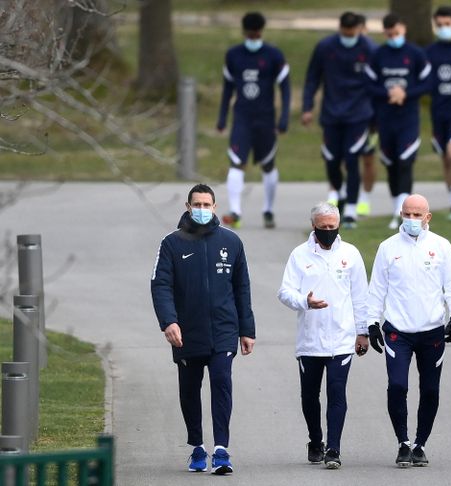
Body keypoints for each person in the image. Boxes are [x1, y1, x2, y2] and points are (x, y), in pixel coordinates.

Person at [151, 184, 256, 475]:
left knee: (222, 382)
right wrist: (168, 321)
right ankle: (197, 446)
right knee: (189, 389)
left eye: (206, 205)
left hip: (223, 330)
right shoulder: (172, 243)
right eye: (196, 204)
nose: (201, 209)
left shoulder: (231, 242)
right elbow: (160, 285)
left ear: (214, 207)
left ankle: (221, 449)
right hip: (187, 332)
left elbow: (242, 288)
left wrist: (247, 329)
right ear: (187, 207)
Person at [366, 193, 451, 467]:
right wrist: (372, 323)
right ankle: (403, 442)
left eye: (417, 215)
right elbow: (377, 289)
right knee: (397, 386)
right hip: (398, 332)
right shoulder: (388, 247)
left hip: (432, 332)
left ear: (428, 217)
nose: (411, 220)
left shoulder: (442, 247)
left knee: (430, 390)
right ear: (401, 215)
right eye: (407, 214)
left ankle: (420, 444)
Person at [277, 201, 370, 469]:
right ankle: (315, 440)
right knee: (309, 396)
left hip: (341, 339)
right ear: (313, 226)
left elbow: (360, 297)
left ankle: (334, 448)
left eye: (332, 226)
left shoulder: (351, 255)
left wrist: (362, 332)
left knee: (337, 392)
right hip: (310, 341)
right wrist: (305, 301)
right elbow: (285, 292)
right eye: (323, 227)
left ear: (338, 225)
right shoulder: (299, 255)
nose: (328, 231)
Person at [302, 12, 376, 229]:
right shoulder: (326, 47)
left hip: (359, 114)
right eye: (345, 32)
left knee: (352, 158)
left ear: (358, 30)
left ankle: (351, 208)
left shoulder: (369, 49)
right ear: (340, 28)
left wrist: (377, 115)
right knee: (332, 160)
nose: (349, 36)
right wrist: (307, 107)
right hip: (332, 113)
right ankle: (340, 193)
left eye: (352, 33)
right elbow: (312, 77)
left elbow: (377, 82)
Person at [217, 11, 291, 230]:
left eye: (256, 32)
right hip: (242, 118)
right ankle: (235, 211)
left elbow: (285, 88)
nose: (253, 35)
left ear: (261, 31)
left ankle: (268, 210)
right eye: (250, 32)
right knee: (236, 162)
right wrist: (222, 117)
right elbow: (227, 88)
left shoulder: (273, 55)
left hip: (266, 119)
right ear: (244, 32)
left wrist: (284, 116)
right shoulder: (234, 55)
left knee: (268, 164)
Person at [364, 14, 432, 229]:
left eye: (397, 32)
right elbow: (368, 85)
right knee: (391, 163)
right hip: (385, 118)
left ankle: (399, 211)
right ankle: (397, 206)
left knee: (405, 161)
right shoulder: (378, 55)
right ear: (384, 33)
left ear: (404, 28)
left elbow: (428, 82)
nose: (394, 37)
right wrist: (388, 93)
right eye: (389, 34)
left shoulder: (415, 54)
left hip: (408, 119)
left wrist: (406, 93)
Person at [426, 6, 451, 220]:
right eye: (439, 25)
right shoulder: (429, 52)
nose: (443, 28)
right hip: (437, 112)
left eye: (447, 24)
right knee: (445, 159)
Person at [356, 13, 378, 218]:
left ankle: (365, 197)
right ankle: (345, 195)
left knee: (368, 158)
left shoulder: (374, 52)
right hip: (347, 115)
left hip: (369, 115)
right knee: (346, 158)